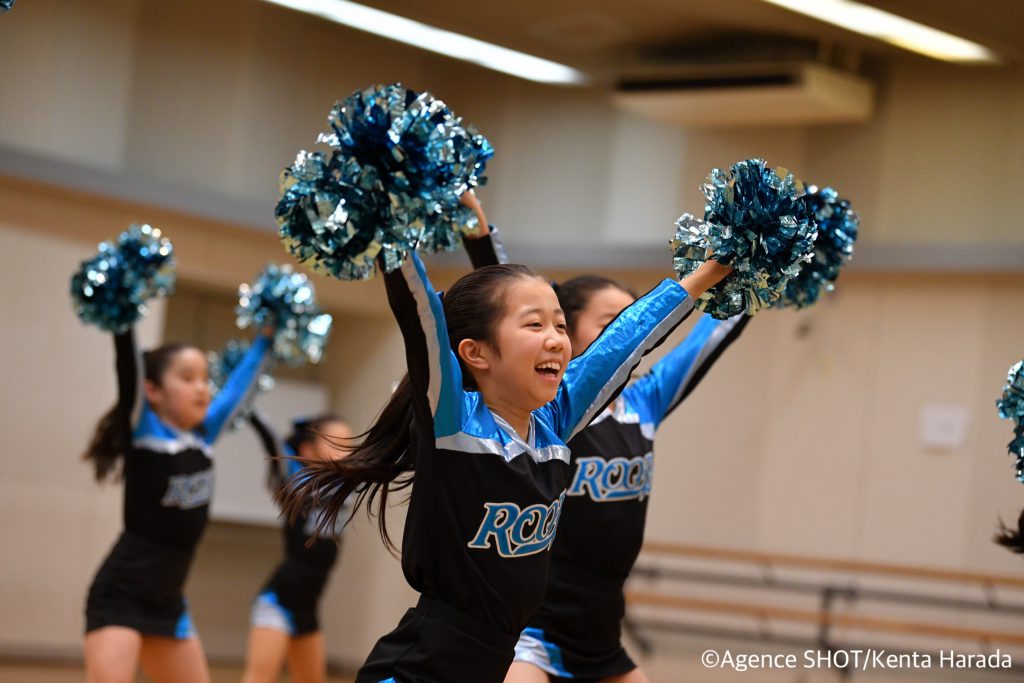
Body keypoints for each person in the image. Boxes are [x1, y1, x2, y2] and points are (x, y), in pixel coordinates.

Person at [278, 236, 731, 682]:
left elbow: (628, 339)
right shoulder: (455, 425)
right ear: (475, 353)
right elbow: (422, 319)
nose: (556, 339)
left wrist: (709, 273)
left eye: (559, 325)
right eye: (535, 325)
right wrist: (393, 231)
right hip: (419, 670)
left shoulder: (557, 422)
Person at [507, 275, 748, 683]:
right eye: (609, 323)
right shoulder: (548, 411)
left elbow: (708, 338)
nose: (625, 332)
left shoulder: (645, 402)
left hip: (600, 634)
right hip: (531, 629)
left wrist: (752, 269)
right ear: (567, 334)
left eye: (631, 319)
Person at [83, 327, 271, 683]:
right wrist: (123, 319)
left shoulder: (204, 437)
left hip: (169, 600)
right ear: (152, 391)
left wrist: (266, 337)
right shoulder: (145, 432)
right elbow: (128, 368)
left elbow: (237, 390)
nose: (202, 388)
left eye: (204, 379)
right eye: (187, 378)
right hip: (121, 594)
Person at [241, 412, 354, 683]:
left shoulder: (351, 484)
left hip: (307, 607)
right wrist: (249, 410)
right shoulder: (297, 485)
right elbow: (272, 442)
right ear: (307, 450)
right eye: (335, 443)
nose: (346, 452)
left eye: (349, 445)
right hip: (279, 603)